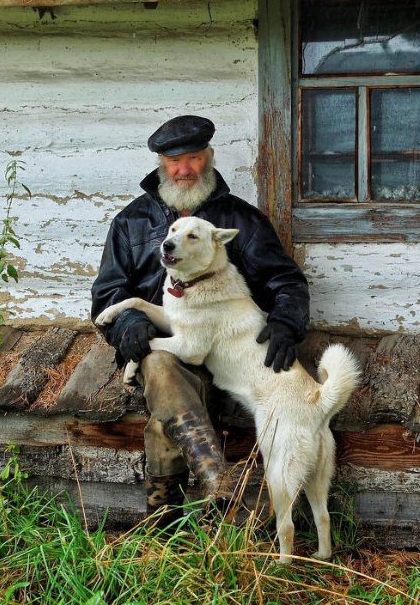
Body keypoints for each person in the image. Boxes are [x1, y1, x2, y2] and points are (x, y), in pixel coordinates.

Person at [91, 115, 310, 522]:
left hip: (227, 349)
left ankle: (163, 523)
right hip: (166, 345)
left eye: (193, 158)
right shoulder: (130, 222)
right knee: (158, 363)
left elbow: (285, 280)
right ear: (161, 162)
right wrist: (130, 326)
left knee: (164, 420)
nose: (185, 169)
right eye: (174, 161)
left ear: (208, 156)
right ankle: (214, 481)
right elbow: (108, 292)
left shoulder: (241, 221)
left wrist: (286, 322)